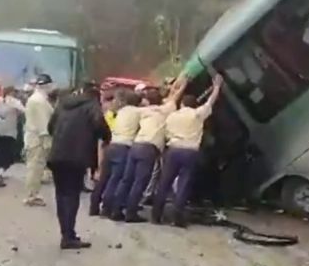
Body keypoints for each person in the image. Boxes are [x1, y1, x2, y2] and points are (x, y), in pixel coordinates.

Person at [152, 75, 224, 227]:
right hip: (190, 153)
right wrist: (217, 86)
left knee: (165, 182)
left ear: (183, 104)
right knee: (184, 184)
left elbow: (170, 102)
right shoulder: (197, 115)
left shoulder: (172, 115)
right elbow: (211, 101)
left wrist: (179, 86)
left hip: (173, 151)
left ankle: (156, 215)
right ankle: (178, 218)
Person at [111, 78, 186, 223]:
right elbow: (174, 97)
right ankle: (131, 213)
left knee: (127, 180)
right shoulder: (164, 111)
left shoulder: (143, 111)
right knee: (140, 181)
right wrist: (183, 85)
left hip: (135, 146)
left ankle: (117, 210)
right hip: (149, 149)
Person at [47, 82, 110, 250]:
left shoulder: (63, 104)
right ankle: (69, 236)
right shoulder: (91, 105)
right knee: (72, 195)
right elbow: (99, 125)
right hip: (76, 156)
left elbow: (50, 127)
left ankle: (65, 233)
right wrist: (105, 136)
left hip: (57, 155)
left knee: (61, 195)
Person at [93, 89, 141, 217]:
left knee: (105, 178)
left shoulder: (118, 112)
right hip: (124, 148)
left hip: (112, 145)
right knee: (116, 179)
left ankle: (96, 207)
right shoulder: (137, 112)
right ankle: (108, 209)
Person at [24, 74, 56, 207]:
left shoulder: (36, 99)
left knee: (34, 167)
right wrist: (47, 142)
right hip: (38, 139)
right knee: (35, 167)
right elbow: (44, 123)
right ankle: (32, 194)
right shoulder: (40, 101)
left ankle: (32, 193)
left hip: (33, 137)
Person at [0, 86, 24, 183]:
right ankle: (0, 172)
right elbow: (24, 110)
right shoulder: (14, 102)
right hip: (9, 132)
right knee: (7, 153)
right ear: (12, 92)